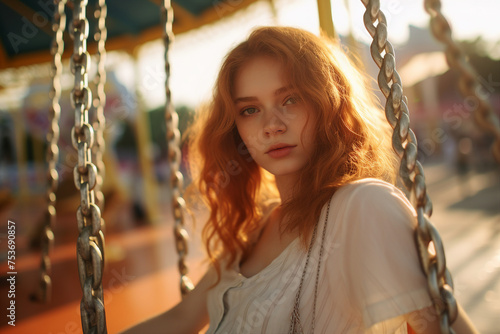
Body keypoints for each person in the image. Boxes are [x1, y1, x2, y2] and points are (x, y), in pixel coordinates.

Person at [122, 26, 478, 334]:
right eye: (250, 109)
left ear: (329, 103)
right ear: (236, 130)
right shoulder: (255, 232)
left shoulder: (363, 206)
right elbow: (181, 319)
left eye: (290, 100)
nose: (271, 125)